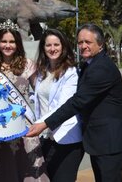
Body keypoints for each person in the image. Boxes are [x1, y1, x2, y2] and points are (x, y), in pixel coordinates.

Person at [27, 23, 122, 182]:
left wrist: (44, 124)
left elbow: (76, 102)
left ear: (100, 44)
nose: (83, 46)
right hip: (99, 140)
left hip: (110, 141)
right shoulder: (88, 65)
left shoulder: (101, 68)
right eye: (80, 42)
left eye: (88, 42)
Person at [0, 19, 49, 182]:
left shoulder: (28, 65)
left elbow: (40, 94)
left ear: (18, 44)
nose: (8, 45)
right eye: (4, 41)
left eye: (12, 41)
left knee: (26, 169)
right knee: (4, 170)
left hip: (24, 126)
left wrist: (42, 121)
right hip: (1, 128)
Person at [32, 29, 83, 182]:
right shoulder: (42, 71)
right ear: (43, 48)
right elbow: (40, 100)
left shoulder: (71, 72)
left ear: (63, 47)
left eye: (56, 44)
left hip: (66, 139)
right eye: (48, 45)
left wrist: (38, 125)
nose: (52, 49)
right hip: (46, 138)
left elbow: (63, 106)